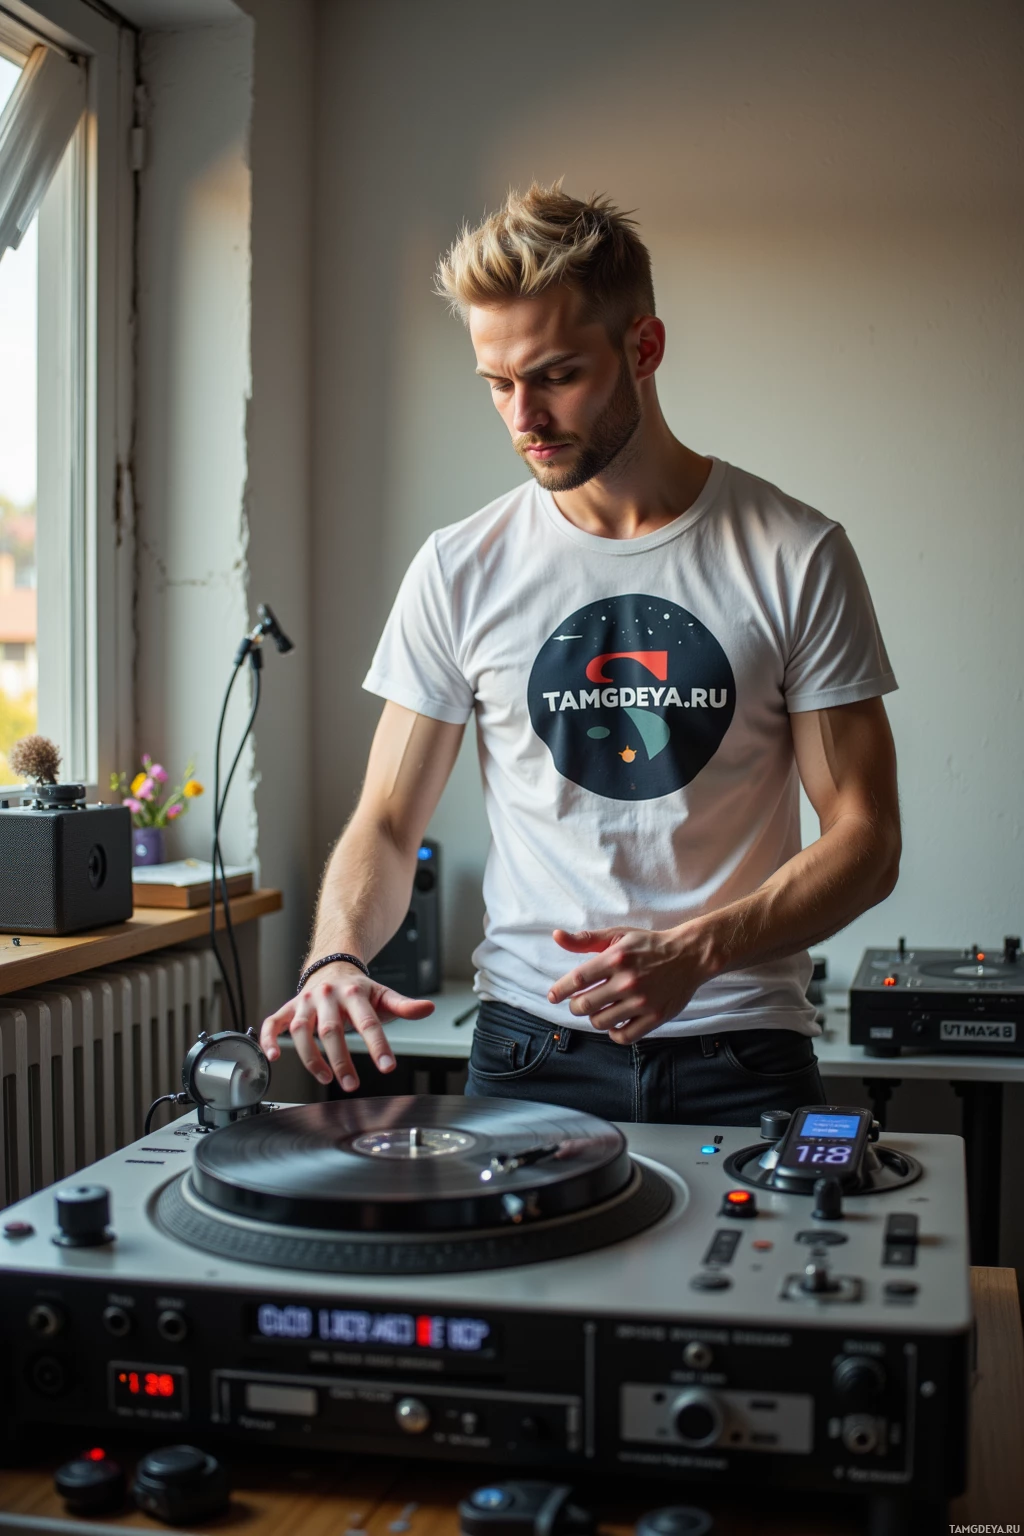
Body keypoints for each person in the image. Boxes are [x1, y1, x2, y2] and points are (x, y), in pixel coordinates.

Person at [260, 182, 900, 1126]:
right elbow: (388, 824)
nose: (524, 416)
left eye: (555, 375)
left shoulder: (793, 552)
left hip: (742, 1045)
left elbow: (866, 837)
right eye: (497, 383)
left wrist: (698, 951)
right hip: (528, 1051)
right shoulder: (459, 568)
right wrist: (336, 955)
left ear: (642, 349)